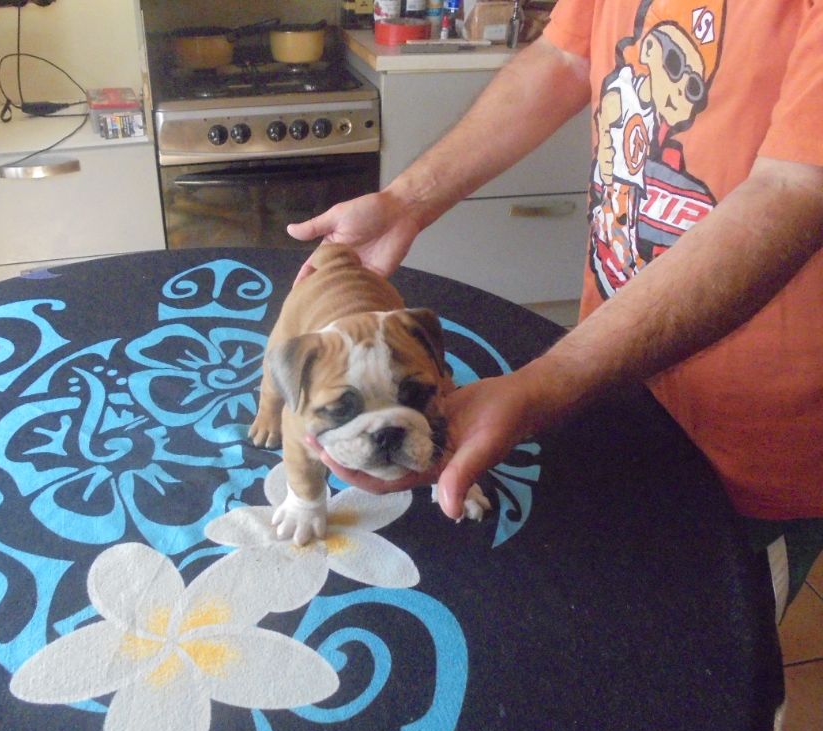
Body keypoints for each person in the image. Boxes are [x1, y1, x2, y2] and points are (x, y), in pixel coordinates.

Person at [287, 0, 823, 610]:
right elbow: (564, 57)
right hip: (610, 380)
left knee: (709, 643)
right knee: (594, 613)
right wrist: (406, 200)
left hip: (753, 437)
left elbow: (796, 188)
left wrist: (546, 384)